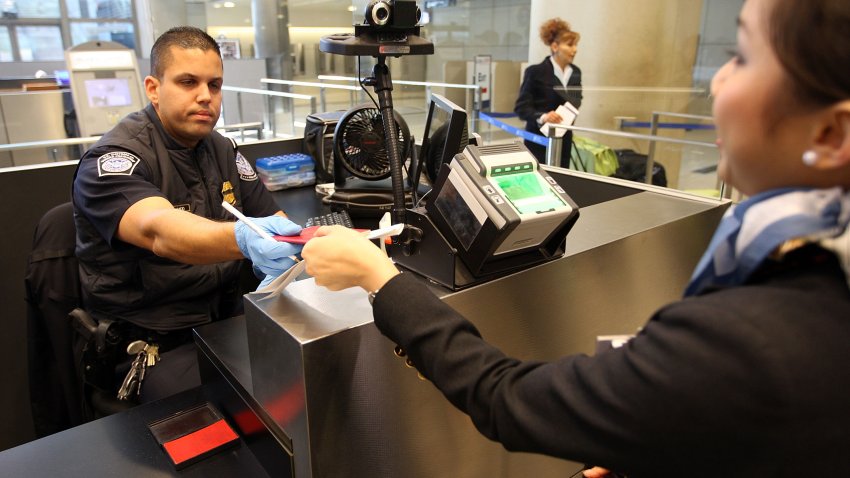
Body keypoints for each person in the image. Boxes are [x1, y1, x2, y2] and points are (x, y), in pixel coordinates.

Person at [301, 0, 850, 475]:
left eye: (743, 56)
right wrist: (651, 440)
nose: (717, 81)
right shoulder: (803, 270)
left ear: (830, 133)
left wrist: (380, 278)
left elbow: (505, 399)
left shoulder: (755, 335)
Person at [72, 26, 302, 404]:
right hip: (154, 343)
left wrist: (298, 246)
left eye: (215, 85)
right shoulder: (112, 160)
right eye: (188, 82)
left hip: (225, 320)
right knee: (248, 406)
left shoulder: (221, 150)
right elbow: (161, 231)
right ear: (153, 88)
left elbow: (273, 217)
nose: (205, 96)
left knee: (308, 370)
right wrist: (245, 238)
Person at [514, 18, 582, 167]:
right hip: (538, 139)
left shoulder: (576, 72)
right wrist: (544, 116)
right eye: (570, 45)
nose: (575, 49)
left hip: (564, 138)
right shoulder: (535, 72)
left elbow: (577, 99)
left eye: (575, 45)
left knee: (561, 176)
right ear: (555, 46)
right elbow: (521, 108)